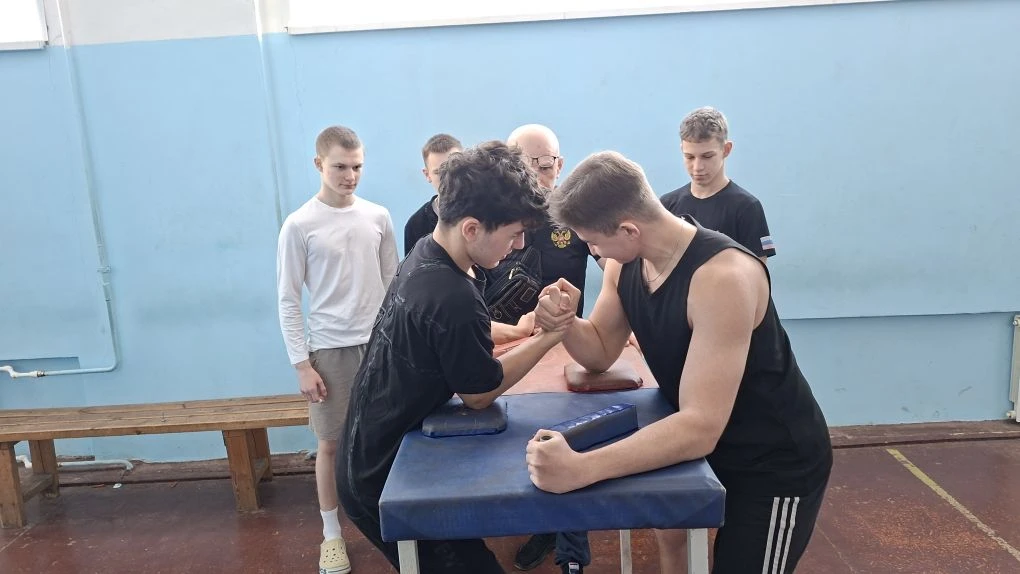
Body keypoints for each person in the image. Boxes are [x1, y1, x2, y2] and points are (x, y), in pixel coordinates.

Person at [527, 151, 832, 574]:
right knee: (679, 547)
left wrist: (580, 469)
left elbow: (699, 426)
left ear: (629, 229)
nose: (591, 250)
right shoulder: (623, 265)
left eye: (593, 241)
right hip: (709, 447)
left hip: (773, 461)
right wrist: (564, 322)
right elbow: (599, 352)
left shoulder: (722, 279)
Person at [336, 141, 573, 573]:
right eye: (513, 233)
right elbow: (479, 394)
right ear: (471, 229)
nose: (520, 245)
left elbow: (448, 330)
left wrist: (519, 330)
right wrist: (548, 337)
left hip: (373, 452)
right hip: (383, 477)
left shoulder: (429, 253)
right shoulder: (451, 293)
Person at [276, 125, 399, 574]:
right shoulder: (299, 225)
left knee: (390, 437)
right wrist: (301, 365)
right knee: (330, 445)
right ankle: (331, 535)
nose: (350, 176)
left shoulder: (378, 217)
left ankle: (393, 522)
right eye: (340, 167)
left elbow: (394, 285)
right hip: (329, 351)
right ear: (319, 165)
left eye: (357, 166)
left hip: (380, 346)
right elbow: (288, 299)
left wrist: (399, 344)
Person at [505, 124, 600, 574]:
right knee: (516, 441)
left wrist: (631, 320)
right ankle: (537, 523)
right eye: (532, 164)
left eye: (549, 163)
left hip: (563, 346)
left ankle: (570, 553)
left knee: (564, 441)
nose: (543, 173)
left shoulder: (576, 213)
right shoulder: (498, 215)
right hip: (509, 347)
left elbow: (619, 263)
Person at [659, 106, 776, 263]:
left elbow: (757, 272)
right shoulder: (666, 205)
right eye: (689, 157)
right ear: (682, 150)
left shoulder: (747, 207)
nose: (697, 167)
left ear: (726, 150)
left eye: (707, 156)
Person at [403, 133, 462, 257]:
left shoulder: (486, 212)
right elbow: (412, 268)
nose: (448, 177)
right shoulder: (416, 225)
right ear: (427, 175)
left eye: (454, 168)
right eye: (439, 172)